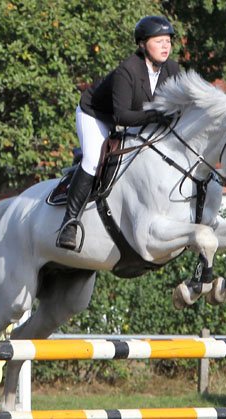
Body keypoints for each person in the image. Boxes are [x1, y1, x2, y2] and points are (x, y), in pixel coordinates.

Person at [57, 15, 180, 250]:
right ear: (142, 44)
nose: (166, 46)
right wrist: (156, 115)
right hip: (95, 115)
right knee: (94, 160)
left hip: (137, 117)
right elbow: (122, 116)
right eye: (159, 41)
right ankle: (70, 222)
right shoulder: (128, 70)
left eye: (168, 41)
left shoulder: (172, 69)